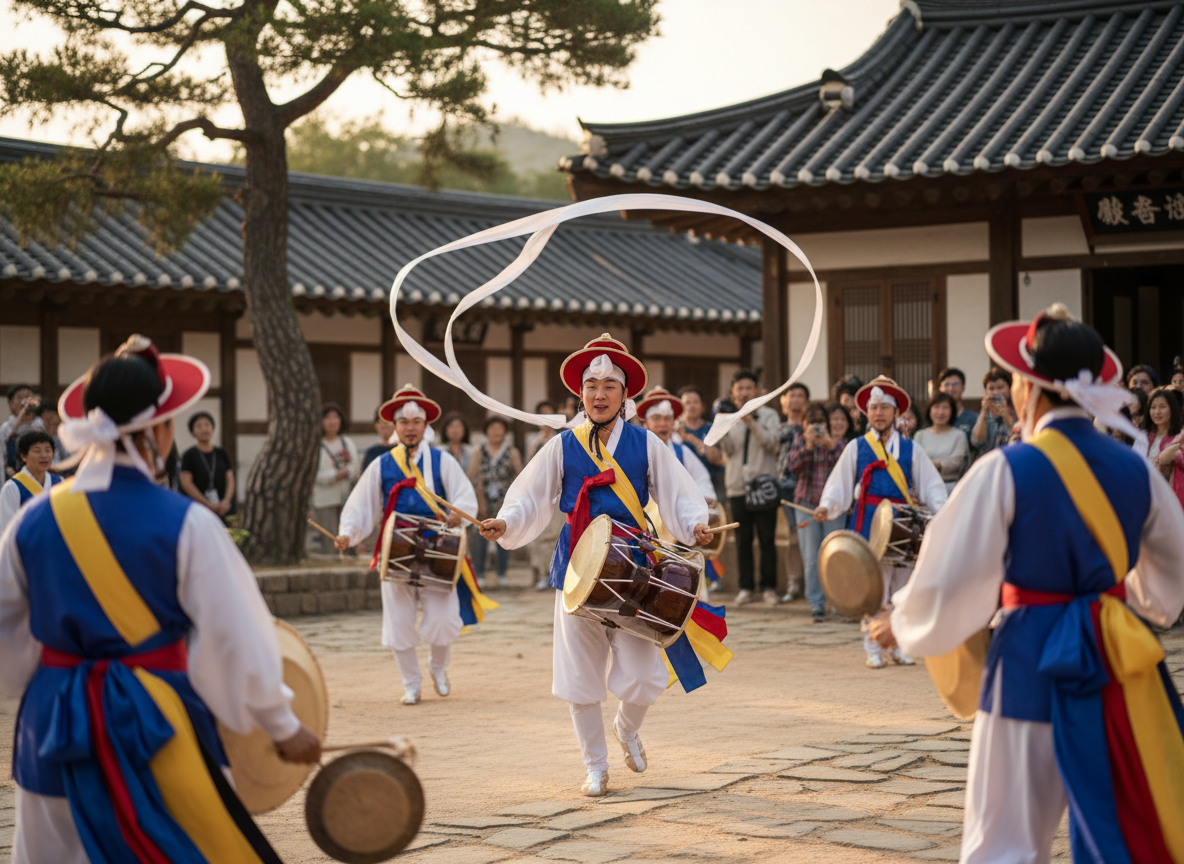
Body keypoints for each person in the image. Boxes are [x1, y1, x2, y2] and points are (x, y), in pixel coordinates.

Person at [871, 305, 1184, 864]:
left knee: (1004, 845)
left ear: (1030, 388)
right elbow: (1169, 582)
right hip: (1117, 661)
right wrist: (1120, 598)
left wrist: (902, 622)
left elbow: (954, 571)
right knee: (1124, 832)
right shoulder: (1137, 468)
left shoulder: (1006, 468)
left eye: (1016, 379)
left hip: (1029, 660)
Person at [0, 334, 321, 864]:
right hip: (157, 727)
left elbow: (8, 644)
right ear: (159, 430)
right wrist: (281, 725)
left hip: (53, 728)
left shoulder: (32, 520)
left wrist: (52, 679)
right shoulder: (188, 523)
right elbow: (237, 637)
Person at [478, 335, 711, 798]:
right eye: (591, 386)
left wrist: (694, 524)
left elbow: (679, 493)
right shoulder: (562, 445)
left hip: (636, 567)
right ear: (579, 394)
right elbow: (529, 496)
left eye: (609, 386)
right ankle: (596, 766)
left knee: (643, 677)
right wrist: (507, 522)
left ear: (625, 396)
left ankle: (627, 727)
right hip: (577, 567)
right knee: (580, 675)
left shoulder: (645, 443)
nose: (599, 395)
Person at [334, 385, 484, 706]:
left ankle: (438, 667)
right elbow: (362, 505)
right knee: (398, 622)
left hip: (438, 551)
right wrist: (348, 533)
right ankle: (411, 683)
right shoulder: (382, 464)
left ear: (425, 425)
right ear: (395, 426)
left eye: (416, 421)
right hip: (396, 552)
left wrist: (458, 516)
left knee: (443, 619)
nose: (410, 427)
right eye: (403, 422)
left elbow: (464, 497)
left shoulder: (442, 460)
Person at [815, 376, 947, 668]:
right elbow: (839, 483)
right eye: (873, 408)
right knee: (873, 588)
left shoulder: (911, 449)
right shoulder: (857, 447)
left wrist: (941, 511)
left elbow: (931, 485)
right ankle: (873, 646)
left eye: (884, 408)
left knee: (902, 588)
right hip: (869, 521)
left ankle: (899, 645)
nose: (878, 413)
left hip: (903, 523)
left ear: (896, 412)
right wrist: (827, 505)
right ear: (867, 413)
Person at [718, 370, 783, 606]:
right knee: (742, 540)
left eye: (749, 388)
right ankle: (746, 587)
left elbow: (772, 443)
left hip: (762, 485)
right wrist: (722, 426)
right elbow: (729, 450)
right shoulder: (729, 416)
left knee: (767, 539)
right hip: (737, 486)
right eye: (740, 389)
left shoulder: (769, 415)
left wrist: (751, 422)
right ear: (733, 393)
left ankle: (769, 587)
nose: (745, 393)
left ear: (757, 391)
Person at [786, 402, 848, 622]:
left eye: (821, 422)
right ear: (804, 424)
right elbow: (793, 468)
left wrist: (829, 444)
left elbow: (845, 470)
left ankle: (838, 601)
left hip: (834, 507)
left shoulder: (840, 444)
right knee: (811, 557)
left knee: (835, 556)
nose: (817, 427)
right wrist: (809, 446)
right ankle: (816, 604)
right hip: (807, 504)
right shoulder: (800, 440)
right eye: (812, 423)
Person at [468, 416, 522, 588]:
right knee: (480, 536)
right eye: (492, 428)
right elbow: (472, 476)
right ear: (486, 431)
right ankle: (480, 574)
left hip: (504, 501)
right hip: (482, 499)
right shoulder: (479, 451)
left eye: (500, 428)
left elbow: (520, 476)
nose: (496, 432)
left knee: (503, 536)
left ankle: (501, 573)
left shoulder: (512, 452)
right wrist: (477, 499)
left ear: (505, 431)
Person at [639, 387, 716, 504]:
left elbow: (701, 479)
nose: (663, 424)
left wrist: (704, 497)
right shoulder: (637, 451)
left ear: (673, 423)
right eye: (656, 419)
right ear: (646, 423)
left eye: (667, 419)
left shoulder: (681, 451)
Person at [526, 401, 566, 591]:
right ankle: (543, 574)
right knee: (540, 536)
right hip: (540, 494)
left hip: (559, 493)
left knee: (557, 534)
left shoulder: (562, 438)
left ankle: (557, 574)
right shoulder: (534, 443)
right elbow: (529, 469)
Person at [310, 402, 359, 553]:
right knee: (330, 541)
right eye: (328, 418)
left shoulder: (346, 442)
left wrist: (348, 472)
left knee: (348, 537)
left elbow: (355, 465)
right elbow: (313, 473)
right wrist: (335, 476)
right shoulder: (315, 445)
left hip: (346, 496)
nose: (332, 421)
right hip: (325, 499)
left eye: (335, 417)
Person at [0, 430, 64, 533]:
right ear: (23, 456)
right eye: (37, 451)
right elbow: (7, 530)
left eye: (48, 450)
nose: (44, 455)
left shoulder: (60, 483)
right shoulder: (12, 488)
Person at [178, 411, 235, 523]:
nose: (204, 429)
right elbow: (186, 483)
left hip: (222, 507)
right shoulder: (189, 455)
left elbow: (230, 478)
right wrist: (207, 504)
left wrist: (226, 501)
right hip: (197, 508)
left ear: (212, 428)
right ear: (192, 432)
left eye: (207, 424)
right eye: (199, 426)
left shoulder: (221, 453)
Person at [677, 386, 726, 504]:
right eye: (687, 402)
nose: (692, 406)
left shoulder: (712, 428)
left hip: (712, 483)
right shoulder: (673, 429)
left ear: (703, 406)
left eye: (696, 402)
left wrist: (696, 441)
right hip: (681, 485)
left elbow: (720, 459)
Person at [914, 392, 969, 493]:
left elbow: (957, 463)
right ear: (930, 410)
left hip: (951, 487)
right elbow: (915, 461)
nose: (940, 412)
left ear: (952, 411)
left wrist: (938, 465)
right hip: (924, 487)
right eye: (937, 407)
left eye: (945, 407)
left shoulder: (959, 435)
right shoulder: (920, 435)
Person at [1140, 386, 1184, 511]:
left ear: (1172, 409)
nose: (1157, 412)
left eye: (1162, 407)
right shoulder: (1143, 436)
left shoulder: (1180, 437)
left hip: (1171, 500)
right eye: (1153, 407)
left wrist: (1174, 455)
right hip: (1145, 494)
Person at [970, 367, 1018, 458]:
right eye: (991, 389)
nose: (996, 392)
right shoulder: (984, 416)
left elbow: (1017, 438)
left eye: (1000, 387)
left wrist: (1005, 413)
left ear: (1009, 388)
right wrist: (984, 412)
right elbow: (976, 441)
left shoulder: (1018, 412)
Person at [2, 386, 44, 478]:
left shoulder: (39, 423)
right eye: (20, 397)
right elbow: (7, 438)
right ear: (11, 404)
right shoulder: (6, 427)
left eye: (29, 397)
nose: (25, 401)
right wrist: (22, 415)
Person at [937, 367, 978, 439]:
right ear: (940, 388)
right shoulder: (935, 417)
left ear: (963, 388)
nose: (951, 388)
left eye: (956, 384)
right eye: (947, 384)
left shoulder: (973, 418)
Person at [362, 405, 398, 471]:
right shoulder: (371, 452)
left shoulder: (404, 449)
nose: (384, 425)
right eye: (380, 422)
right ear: (376, 426)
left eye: (387, 422)